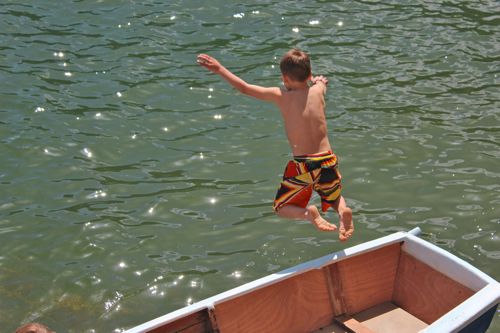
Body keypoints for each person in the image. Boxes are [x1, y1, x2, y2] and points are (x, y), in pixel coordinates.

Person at [197, 49, 353, 241]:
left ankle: (308, 214)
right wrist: (320, 82)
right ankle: (343, 211)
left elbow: (245, 88)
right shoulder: (318, 91)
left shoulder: (281, 95)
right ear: (310, 75)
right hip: (327, 158)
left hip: (304, 164)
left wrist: (220, 69)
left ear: (285, 78)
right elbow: (320, 84)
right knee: (334, 196)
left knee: (281, 208)